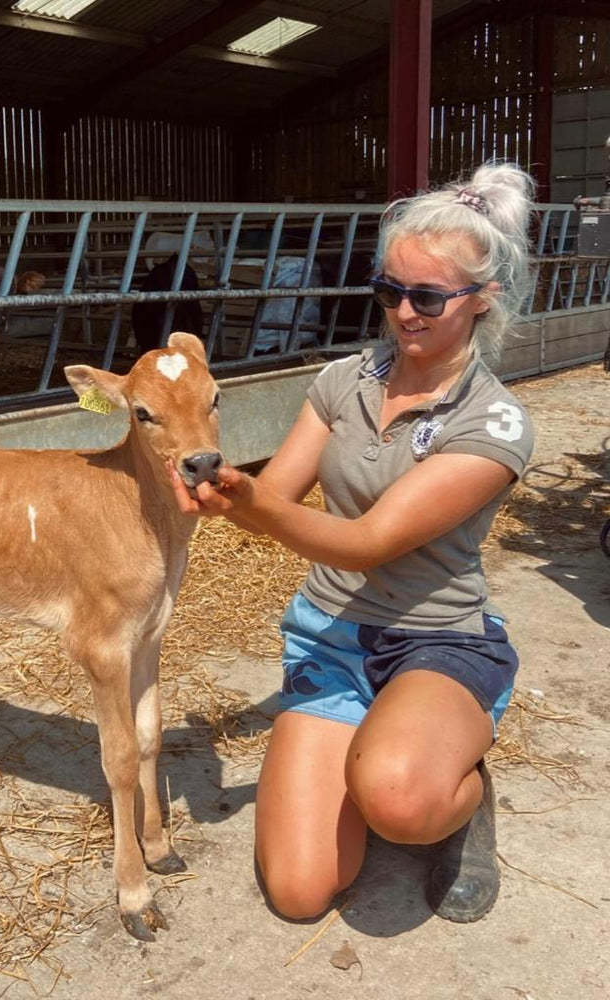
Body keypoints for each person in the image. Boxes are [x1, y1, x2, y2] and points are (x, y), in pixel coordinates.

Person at [169, 161, 536, 923]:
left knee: (401, 800)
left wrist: (244, 504)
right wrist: (218, 487)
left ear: (482, 299)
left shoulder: (493, 423)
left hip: (436, 640)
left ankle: (461, 803)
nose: (404, 311)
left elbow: (366, 543)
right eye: (389, 289)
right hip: (332, 636)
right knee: (300, 894)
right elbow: (284, 493)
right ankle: (386, 748)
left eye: (428, 296)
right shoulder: (344, 379)